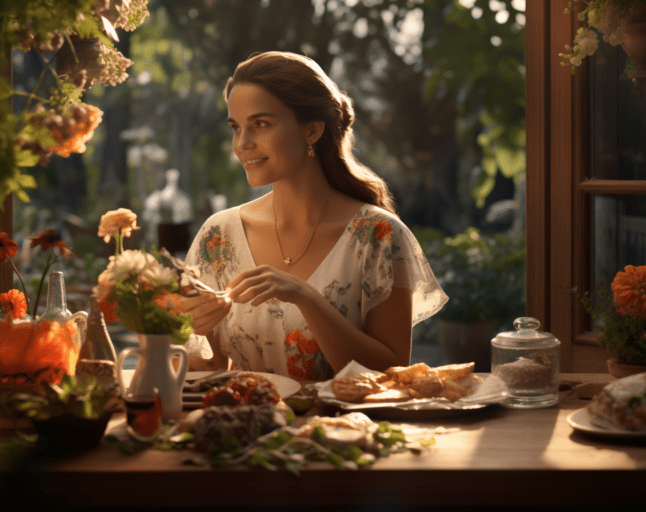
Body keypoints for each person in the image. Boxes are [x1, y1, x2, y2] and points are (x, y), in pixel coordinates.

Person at [181, 51, 447, 381]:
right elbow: (211, 371)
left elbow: (393, 376)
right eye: (236, 127)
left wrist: (306, 297)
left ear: (312, 131)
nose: (243, 144)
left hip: (346, 430)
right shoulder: (218, 236)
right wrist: (179, 330)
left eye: (261, 124)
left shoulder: (377, 235)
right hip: (250, 429)